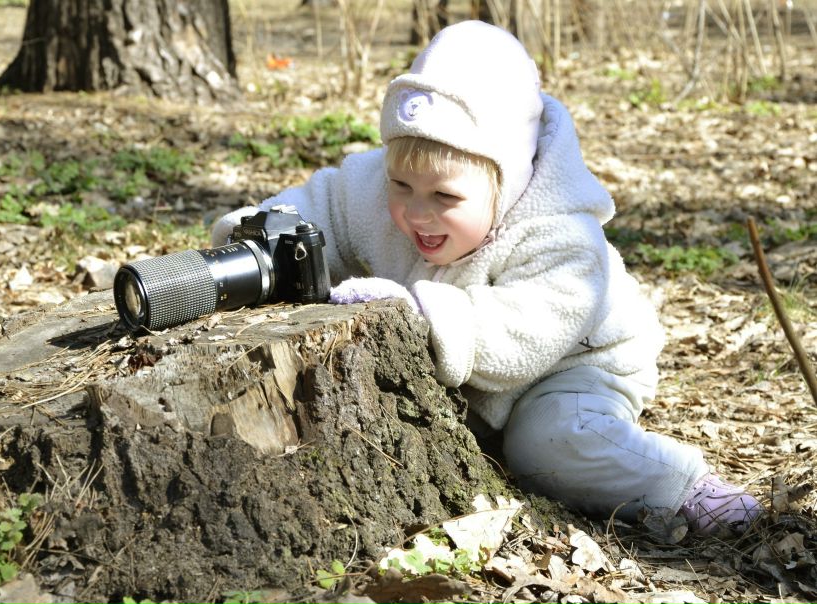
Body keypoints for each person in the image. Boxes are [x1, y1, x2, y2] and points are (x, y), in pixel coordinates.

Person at [212, 20, 762, 536]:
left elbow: (527, 330)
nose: (414, 212)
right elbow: (319, 205)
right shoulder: (380, 189)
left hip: (573, 367)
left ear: (508, 181)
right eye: (400, 185)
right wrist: (259, 237)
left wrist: (418, 316)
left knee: (544, 445)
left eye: (445, 197)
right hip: (472, 370)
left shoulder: (561, 235)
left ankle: (682, 485)